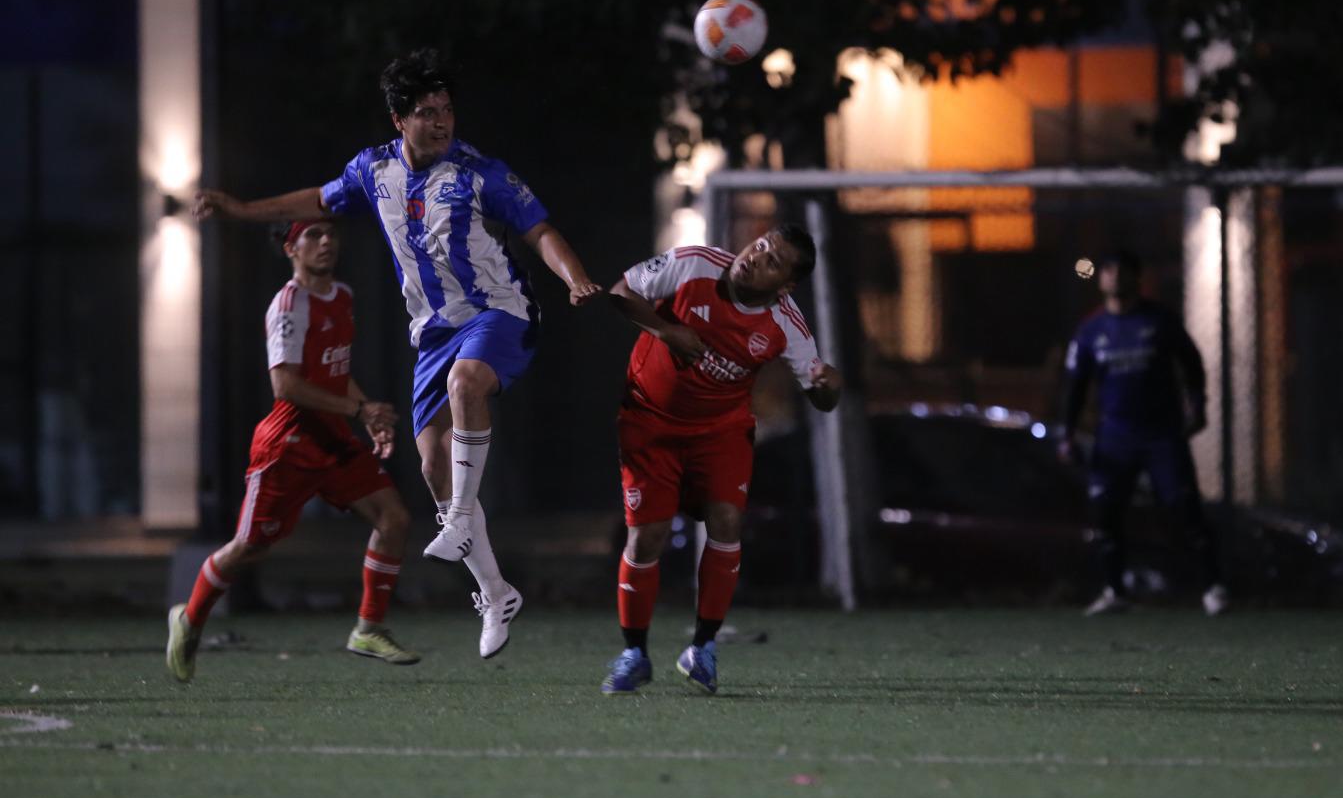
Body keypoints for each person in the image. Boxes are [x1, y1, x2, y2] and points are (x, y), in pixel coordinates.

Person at [193, 48, 603, 658]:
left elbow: (538, 229)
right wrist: (243, 210)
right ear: (398, 120)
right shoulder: (373, 171)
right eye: (427, 112)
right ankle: (495, 594)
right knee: (433, 464)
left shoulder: (479, 172)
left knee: (468, 386)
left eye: (447, 110)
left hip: (498, 313)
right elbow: (318, 200)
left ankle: (461, 521)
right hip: (432, 336)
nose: (442, 122)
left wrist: (574, 278)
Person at [166, 219, 417, 682]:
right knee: (250, 546)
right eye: (313, 236)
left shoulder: (342, 297)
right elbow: (285, 386)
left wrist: (368, 416)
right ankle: (190, 617)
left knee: (395, 518)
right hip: (289, 444)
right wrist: (358, 410)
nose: (326, 242)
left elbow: (335, 371)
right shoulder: (288, 305)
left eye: (332, 234)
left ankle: (369, 626)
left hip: (334, 438)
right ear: (291, 249)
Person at [600, 226, 843, 695]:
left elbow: (821, 395)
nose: (757, 257)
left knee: (727, 522)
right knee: (647, 535)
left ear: (785, 285)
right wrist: (667, 331)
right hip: (649, 420)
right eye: (762, 245)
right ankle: (634, 652)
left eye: (773, 261)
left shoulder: (786, 324)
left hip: (719, 431)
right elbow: (620, 291)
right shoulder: (694, 263)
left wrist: (831, 386)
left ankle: (703, 649)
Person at [1056, 249, 1228, 616]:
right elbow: (1075, 385)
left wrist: (1197, 405)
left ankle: (1214, 588)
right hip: (1115, 436)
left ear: (1137, 276)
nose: (1115, 275)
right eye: (1108, 269)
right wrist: (1066, 433)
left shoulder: (1159, 321)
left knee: (1183, 507)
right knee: (1106, 511)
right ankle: (1114, 590)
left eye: (1122, 269)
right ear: (1101, 279)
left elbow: (1192, 363)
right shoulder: (1092, 330)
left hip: (1160, 435)